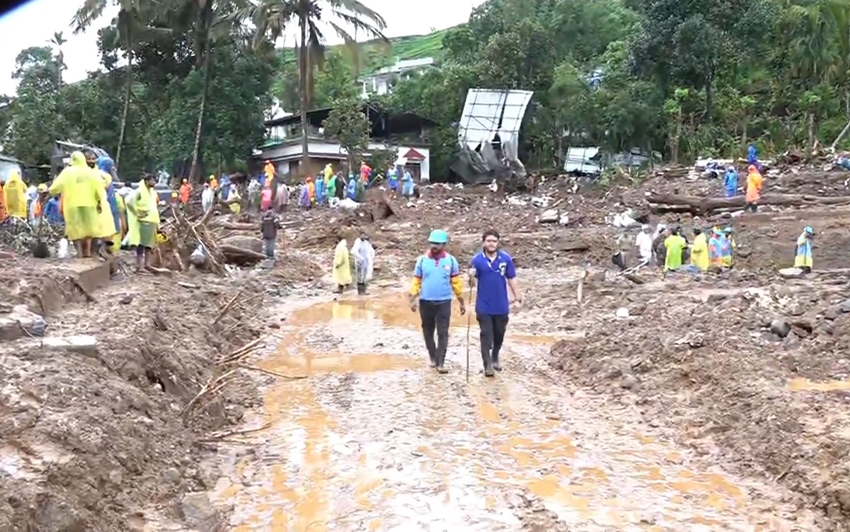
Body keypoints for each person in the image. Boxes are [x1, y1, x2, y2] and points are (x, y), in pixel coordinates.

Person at [409, 229, 466, 373]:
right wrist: (412, 298)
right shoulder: (422, 261)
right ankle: (433, 357)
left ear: (444, 244)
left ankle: (441, 363)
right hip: (426, 302)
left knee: (443, 332)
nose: (434, 246)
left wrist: (461, 301)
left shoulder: (451, 261)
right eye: (432, 243)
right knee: (427, 331)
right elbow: (417, 280)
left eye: (437, 243)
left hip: (444, 302)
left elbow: (456, 283)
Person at [468, 229, 520, 376]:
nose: (491, 244)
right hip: (484, 305)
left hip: (501, 304)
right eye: (489, 241)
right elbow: (471, 285)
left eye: (494, 241)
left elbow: (512, 279)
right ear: (484, 242)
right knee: (486, 335)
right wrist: (471, 277)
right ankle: (487, 366)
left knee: (499, 333)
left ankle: (495, 355)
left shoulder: (506, 259)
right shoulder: (476, 260)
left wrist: (518, 298)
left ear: (498, 243)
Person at [49, 151, 105, 258]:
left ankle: (79, 252)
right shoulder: (90, 172)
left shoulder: (68, 171)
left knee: (75, 229)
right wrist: (99, 200)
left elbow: (57, 185)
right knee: (88, 229)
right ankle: (87, 252)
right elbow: (99, 188)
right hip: (89, 205)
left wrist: (50, 191)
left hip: (72, 205)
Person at [125, 173, 160, 271]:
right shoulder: (139, 191)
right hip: (143, 221)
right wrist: (137, 213)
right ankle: (138, 265)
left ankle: (147, 264)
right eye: (152, 180)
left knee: (149, 244)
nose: (153, 182)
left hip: (152, 220)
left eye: (154, 180)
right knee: (141, 244)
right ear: (146, 181)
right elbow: (128, 202)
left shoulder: (153, 192)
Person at [94, 156, 121, 258]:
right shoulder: (104, 176)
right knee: (105, 228)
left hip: (104, 205)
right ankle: (102, 250)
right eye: (111, 165)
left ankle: (102, 250)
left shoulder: (95, 173)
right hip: (105, 206)